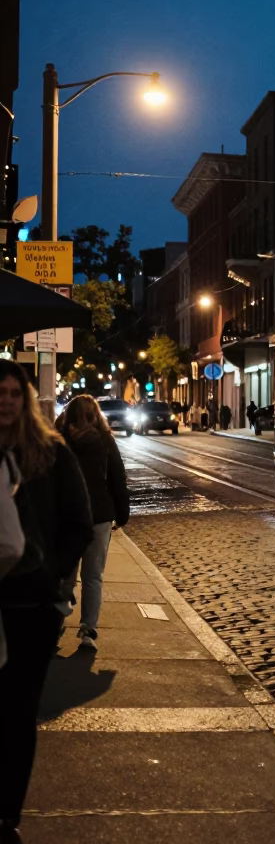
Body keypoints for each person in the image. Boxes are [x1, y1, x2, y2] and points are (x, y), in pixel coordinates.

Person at [0, 360, 93, 842]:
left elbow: (80, 521)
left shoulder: (51, 453)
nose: (8, 400)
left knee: (18, 712)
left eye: (15, 392)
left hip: (32, 607)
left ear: (28, 399)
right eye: (1, 392)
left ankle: (6, 814)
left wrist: (55, 574)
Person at [58, 395, 131, 651]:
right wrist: (122, 513)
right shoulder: (105, 441)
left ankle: (55, 624)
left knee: (65, 574)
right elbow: (117, 479)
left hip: (66, 517)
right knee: (93, 577)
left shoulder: (60, 439)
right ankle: (88, 630)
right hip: (99, 515)